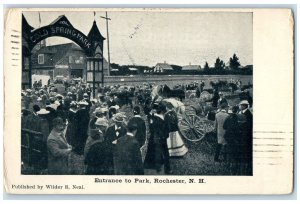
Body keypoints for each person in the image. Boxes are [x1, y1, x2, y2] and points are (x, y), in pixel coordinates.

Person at [144, 102, 172, 174]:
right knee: (165, 153)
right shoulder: (165, 118)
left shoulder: (153, 117)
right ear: (163, 111)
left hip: (155, 138)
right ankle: (167, 169)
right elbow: (168, 129)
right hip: (163, 138)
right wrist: (165, 135)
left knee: (157, 153)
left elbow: (151, 128)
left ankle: (158, 168)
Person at [223, 105, 240, 174]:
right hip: (234, 137)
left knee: (228, 150)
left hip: (227, 136)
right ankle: (232, 167)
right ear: (237, 110)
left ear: (232, 110)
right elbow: (238, 129)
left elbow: (224, 126)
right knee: (233, 152)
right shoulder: (238, 118)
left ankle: (227, 164)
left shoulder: (228, 117)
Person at [238, 100, 253, 175]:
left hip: (246, 134)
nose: (239, 106)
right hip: (242, 133)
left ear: (244, 106)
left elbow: (248, 125)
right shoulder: (242, 113)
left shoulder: (248, 114)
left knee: (246, 148)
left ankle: (246, 161)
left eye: (240, 105)